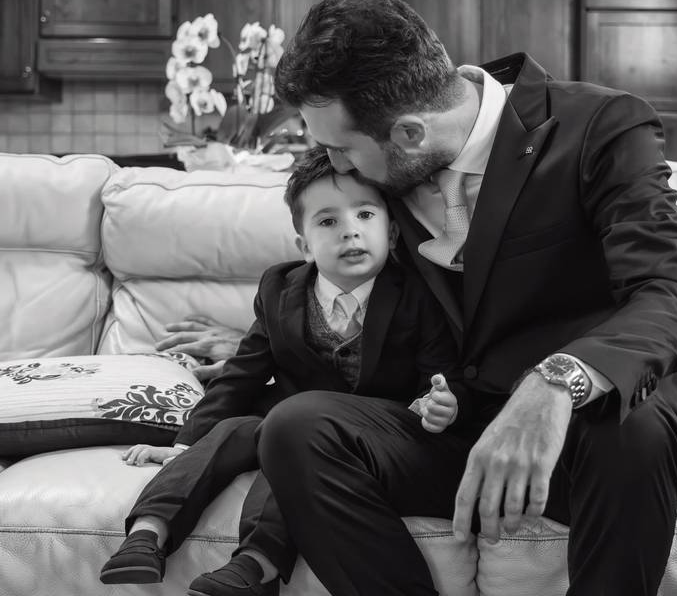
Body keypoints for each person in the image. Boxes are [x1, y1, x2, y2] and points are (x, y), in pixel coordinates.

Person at [249, 0, 677, 596]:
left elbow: (675, 294)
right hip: (451, 431)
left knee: (630, 431)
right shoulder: (384, 169)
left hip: (594, 439)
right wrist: (259, 336)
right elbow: (337, 277)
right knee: (296, 427)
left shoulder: (600, 126)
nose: (335, 166)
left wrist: (556, 383)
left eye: (340, 149)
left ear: (410, 133)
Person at [100, 147, 467, 596]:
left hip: (363, 433)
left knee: (291, 451)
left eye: (365, 215)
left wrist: (441, 405)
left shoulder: (417, 294)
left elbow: (441, 377)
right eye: (327, 221)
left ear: (391, 234)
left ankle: (257, 563)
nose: (350, 230)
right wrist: (184, 443)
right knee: (234, 431)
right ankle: (147, 534)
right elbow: (242, 374)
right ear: (304, 246)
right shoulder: (280, 288)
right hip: (289, 420)